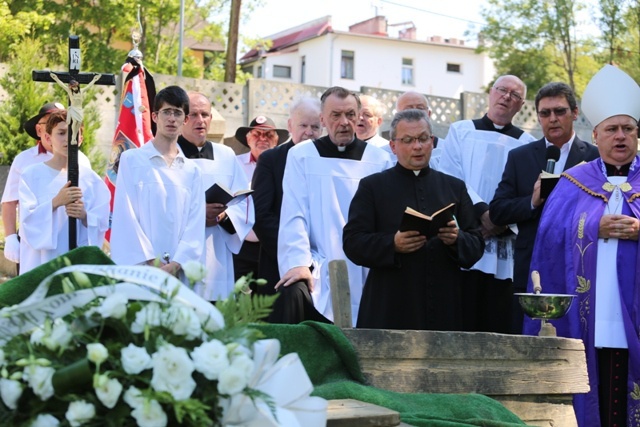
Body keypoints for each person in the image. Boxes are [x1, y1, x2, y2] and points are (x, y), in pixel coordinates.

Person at [524, 65, 640, 427]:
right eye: (612, 129)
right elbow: (549, 236)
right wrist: (592, 226)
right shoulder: (575, 180)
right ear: (597, 134)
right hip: (589, 311)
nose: (620, 137)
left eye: (628, 129)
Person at [343, 109, 484, 330]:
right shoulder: (372, 187)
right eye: (408, 140)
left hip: (443, 303)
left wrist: (456, 239)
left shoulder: (454, 187)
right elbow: (352, 242)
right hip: (390, 303)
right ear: (393, 146)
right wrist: (392, 244)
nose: (417, 146)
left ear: (433, 142)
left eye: (423, 139)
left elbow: (476, 245)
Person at [275, 86, 394, 325]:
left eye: (350, 114)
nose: (344, 122)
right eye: (335, 115)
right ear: (322, 119)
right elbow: (294, 213)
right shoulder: (302, 155)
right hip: (319, 264)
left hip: (365, 266)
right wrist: (299, 263)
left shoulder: (379, 159)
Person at [490, 82, 599, 334]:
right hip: (533, 263)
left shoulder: (594, 157)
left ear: (574, 112)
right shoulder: (520, 157)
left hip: (581, 259)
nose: (552, 119)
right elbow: (498, 211)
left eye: (560, 111)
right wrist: (532, 200)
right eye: (545, 113)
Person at [439, 75, 536, 333]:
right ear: (491, 93)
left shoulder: (527, 145)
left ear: (520, 105)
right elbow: (451, 177)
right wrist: (482, 213)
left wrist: (499, 223)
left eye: (515, 95)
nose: (506, 97)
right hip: (468, 236)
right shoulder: (460, 131)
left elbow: (528, 191)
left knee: (499, 320)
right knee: (462, 319)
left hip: (506, 242)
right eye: (502, 90)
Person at [110, 85, 205, 278]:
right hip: (140, 268)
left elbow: (195, 224)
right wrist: (151, 260)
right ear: (154, 117)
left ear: (185, 120)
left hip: (178, 272)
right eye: (166, 112)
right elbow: (125, 215)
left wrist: (176, 264)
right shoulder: (132, 160)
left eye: (177, 113)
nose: (171, 118)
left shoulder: (192, 171)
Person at [177, 92, 254, 300]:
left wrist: (223, 217)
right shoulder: (170, 154)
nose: (200, 120)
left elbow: (244, 203)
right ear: (182, 118)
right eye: (193, 114)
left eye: (205, 114)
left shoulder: (226, 155)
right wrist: (198, 214)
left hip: (217, 250)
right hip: (179, 250)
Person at [18, 110, 109, 273]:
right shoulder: (31, 176)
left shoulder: (92, 180)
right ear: (47, 138)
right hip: (43, 262)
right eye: (61, 133)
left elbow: (102, 223)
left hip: (77, 264)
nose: (68, 138)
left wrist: (85, 216)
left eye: (74, 133)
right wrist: (55, 202)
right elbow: (27, 224)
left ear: (80, 139)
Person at [2, 102, 91, 269]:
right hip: (36, 245)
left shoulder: (83, 162)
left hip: (72, 241)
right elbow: (9, 200)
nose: (65, 136)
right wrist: (11, 238)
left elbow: (94, 207)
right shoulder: (25, 161)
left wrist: (86, 216)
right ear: (40, 130)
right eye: (51, 123)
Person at [252, 96, 322, 295]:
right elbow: (262, 215)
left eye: (315, 126)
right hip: (279, 261)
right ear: (290, 125)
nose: (309, 132)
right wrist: (294, 255)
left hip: (322, 264)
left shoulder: (327, 161)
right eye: (303, 125)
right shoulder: (271, 159)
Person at [233, 116, 288, 282]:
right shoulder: (234, 164)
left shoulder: (285, 165)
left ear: (277, 141)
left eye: (269, 135)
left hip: (271, 244)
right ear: (248, 139)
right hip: (241, 244)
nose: (263, 139)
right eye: (257, 134)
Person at [396, 91, 441, 169]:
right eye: (408, 109)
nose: (415, 112)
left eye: (420, 108)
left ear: (429, 113)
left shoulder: (447, 149)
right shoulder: (385, 155)